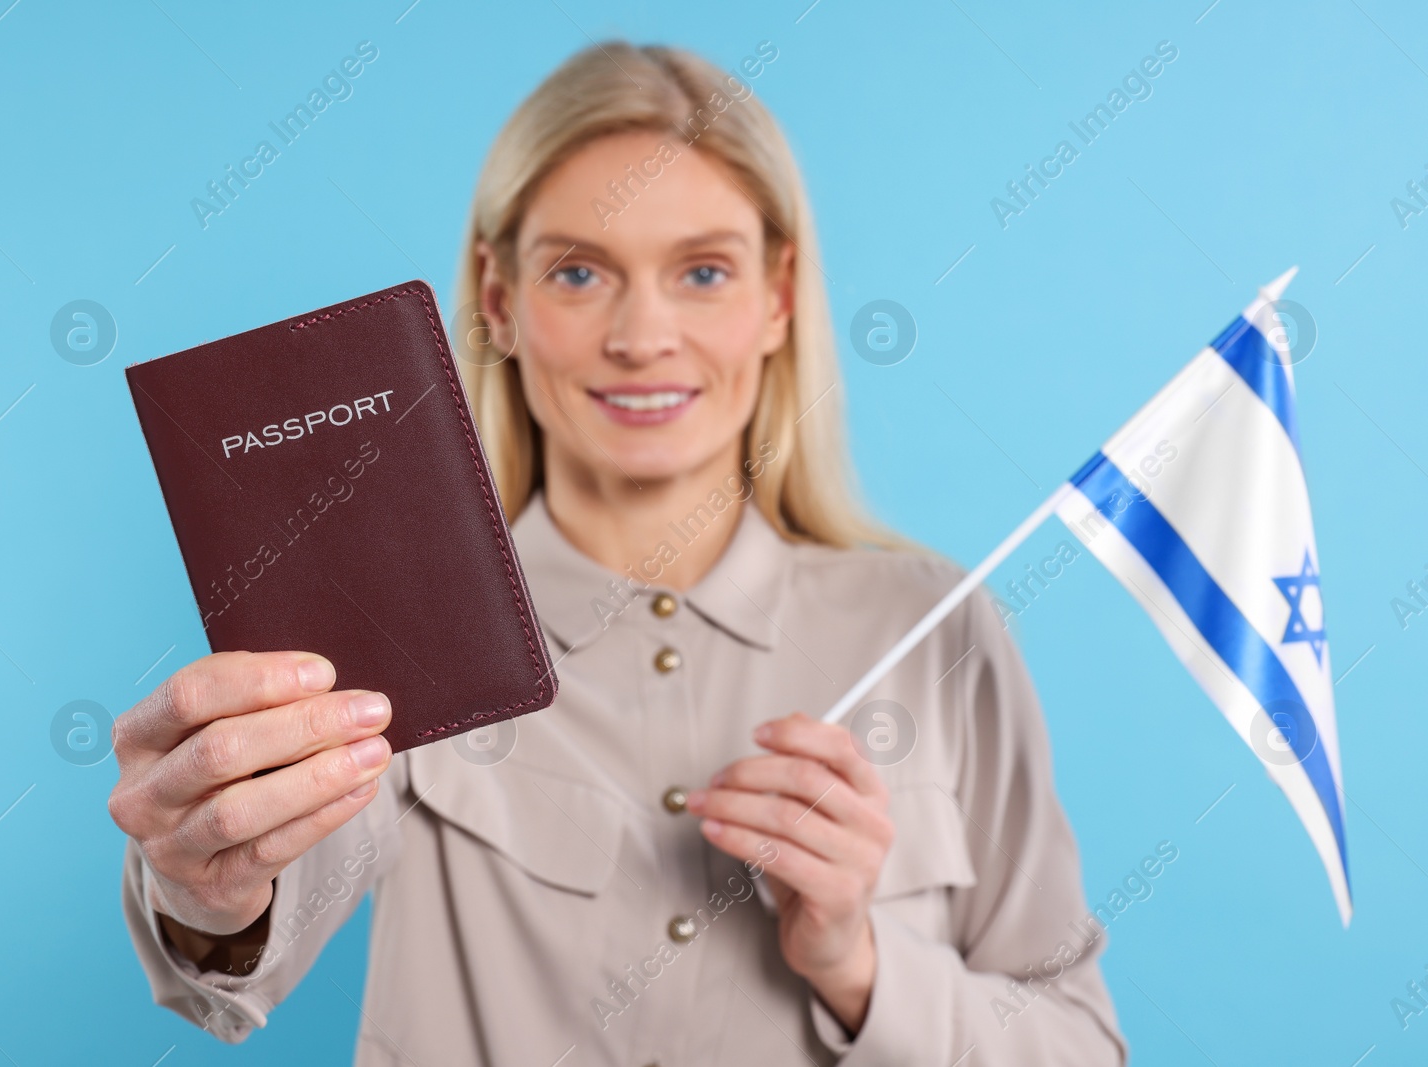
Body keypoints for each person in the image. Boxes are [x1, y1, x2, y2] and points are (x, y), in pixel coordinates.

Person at [109, 41, 1125, 1066]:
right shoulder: (395, 631)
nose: (642, 336)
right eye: (580, 272)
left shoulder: (933, 626)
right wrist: (210, 883)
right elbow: (233, 961)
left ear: (776, 296)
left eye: (702, 271)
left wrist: (856, 960)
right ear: (499, 300)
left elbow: (1081, 1045)